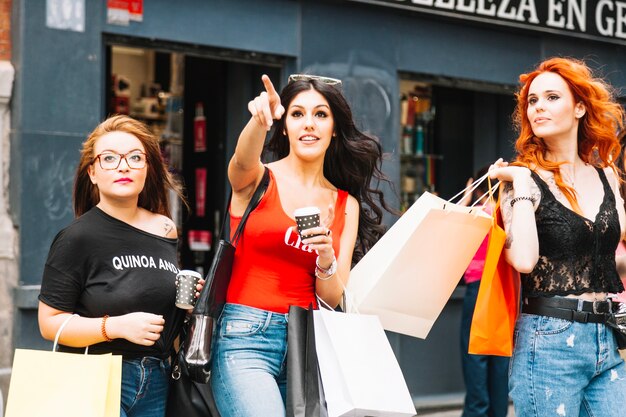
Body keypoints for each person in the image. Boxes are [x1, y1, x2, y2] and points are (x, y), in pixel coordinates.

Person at [210, 74, 392, 416]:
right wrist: (259, 120)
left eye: (321, 114)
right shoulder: (259, 180)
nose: (309, 124)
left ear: (335, 127)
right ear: (284, 126)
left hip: (308, 345)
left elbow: (333, 297)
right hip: (245, 337)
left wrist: (326, 258)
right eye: (297, 114)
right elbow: (240, 163)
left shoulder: (345, 205)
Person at [38, 115, 203, 417]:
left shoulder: (165, 229)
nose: (123, 166)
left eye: (135, 157)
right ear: (92, 172)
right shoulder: (77, 238)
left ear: (147, 169)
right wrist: (114, 326)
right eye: (110, 158)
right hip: (98, 377)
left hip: (158, 380)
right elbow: (49, 323)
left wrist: (189, 306)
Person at [489, 57, 626, 417]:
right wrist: (519, 184)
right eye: (532, 101)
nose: (538, 108)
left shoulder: (606, 175)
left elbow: (614, 254)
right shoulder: (521, 180)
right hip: (548, 341)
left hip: (607, 336)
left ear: (580, 107)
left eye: (551, 97)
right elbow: (523, 260)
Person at [459, 166, 509, 417]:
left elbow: (449, 228)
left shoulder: (475, 214)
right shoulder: (505, 216)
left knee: (475, 353)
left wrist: (467, 199)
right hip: (502, 289)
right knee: (499, 355)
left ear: (478, 187)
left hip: (477, 287)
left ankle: (476, 412)